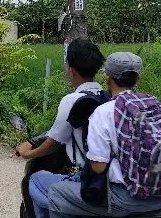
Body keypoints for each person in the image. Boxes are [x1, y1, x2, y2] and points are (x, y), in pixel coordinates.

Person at [46, 52, 161, 217]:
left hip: (125, 199)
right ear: (137, 78)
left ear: (107, 77)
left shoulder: (104, 112)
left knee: (56, 193)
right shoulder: (156, 105)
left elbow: (99, 167)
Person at [16, 38, 107, 218]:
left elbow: (54, 142)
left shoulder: (72, 100)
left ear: (71, 70)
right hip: (108, 179)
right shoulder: (106, 97)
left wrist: (28, 153)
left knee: (33, 181)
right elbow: (59, 131)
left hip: (87, 179)